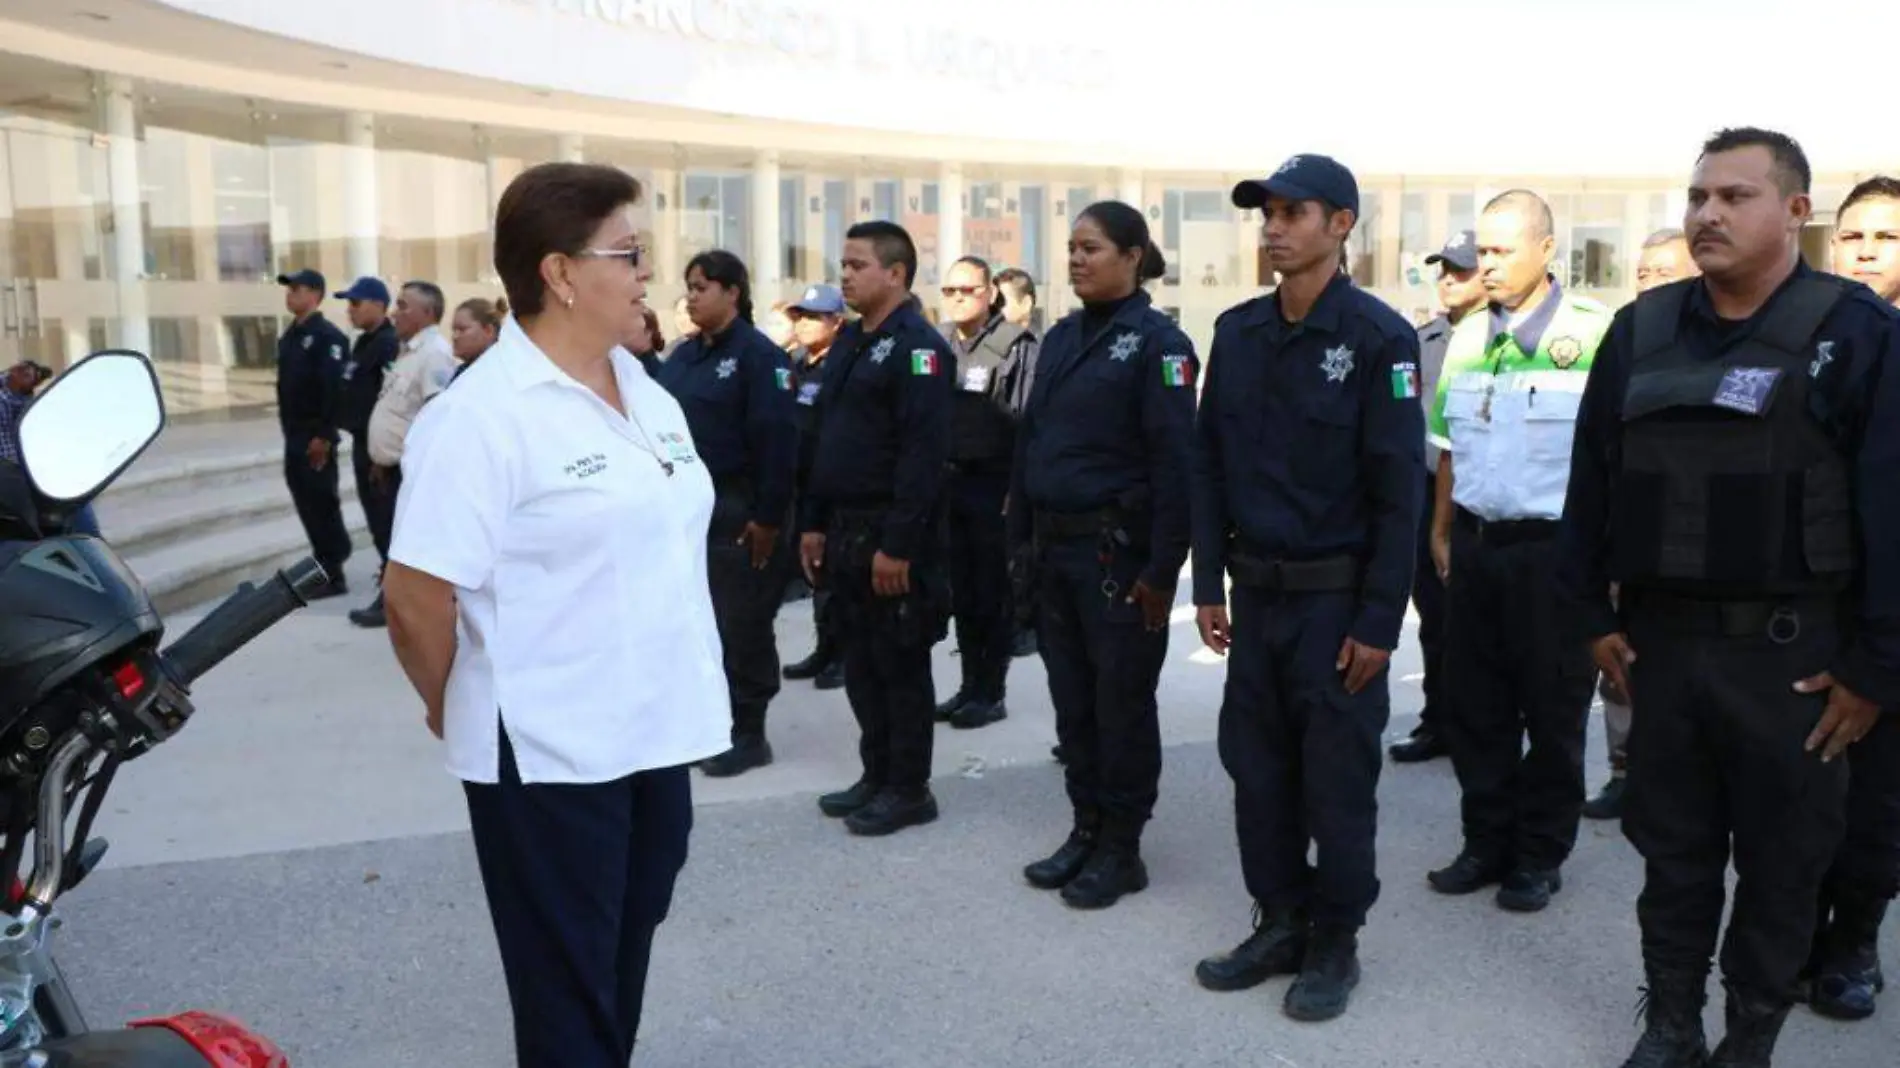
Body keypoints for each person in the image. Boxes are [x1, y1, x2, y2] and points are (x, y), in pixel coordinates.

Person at [1559, 127, 1900, 1067]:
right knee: (1672, 856)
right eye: (1700, 196)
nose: (1708, 213)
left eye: (1736, 196)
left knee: (1786, 868)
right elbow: (1592, 481)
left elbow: (1892, 509)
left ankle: (1749, 1037)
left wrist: (1875, 668)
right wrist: (1590, 613)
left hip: (1795, 659)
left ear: (1796, 212)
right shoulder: (1643, 329)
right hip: (1666, 650)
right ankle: (1670, 1024)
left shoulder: (1857, 333)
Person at [381, 162, 727, 1068]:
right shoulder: (481, 419)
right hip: (547, 749)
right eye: (630, 253)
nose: (650, 273)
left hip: (653, 729)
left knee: (622, 951)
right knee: (567, 984)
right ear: (561, 273)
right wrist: (453, 702)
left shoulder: (640, 387)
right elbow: (416, 599)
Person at [1189, 155, 1422, 1021]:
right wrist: (1206, 578)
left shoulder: (1378, 340)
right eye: (1268, 214)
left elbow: (1399, 494)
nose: (1275, 227)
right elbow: (1207, 462)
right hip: (1257, 598)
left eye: (1294, 213)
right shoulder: (1239, 331)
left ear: (1341, 225)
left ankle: (1335, 941)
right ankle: (1279, 919)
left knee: (1334, 780)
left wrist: (1379, 623)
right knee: (1256, 770)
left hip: (1336, 604)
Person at [1423, 190, 1612, 915]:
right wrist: (1441, 532)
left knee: (1554, 714)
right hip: (1476, 550)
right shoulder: (1467, 338)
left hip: (1555, 557)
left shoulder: (1594, 334)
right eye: (1485, 252)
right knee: (1477, 709)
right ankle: (1486, 842)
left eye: (1503, 252)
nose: (1490, 266)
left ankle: (1538, 855)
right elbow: (1448, 449)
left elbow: (1615, 462)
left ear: (1546, 250)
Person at [1009, 201, 1196, 910]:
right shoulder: (1059, 338)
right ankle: (1085, 827)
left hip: (1117, 559)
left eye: (1092, 247)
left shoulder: (1159, 345)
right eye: (1072, 248)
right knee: (1073, 703)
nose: (1077, 259)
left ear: (1132, 254)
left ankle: (1123, 846)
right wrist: (1017, 545)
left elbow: (1179, 467)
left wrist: (1160, 572)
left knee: (1119, 705)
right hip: (1055, 553)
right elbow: (1030, 444)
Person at [798, 221, 955, 837]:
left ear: (896, 273)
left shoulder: (919, 348)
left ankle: (908, 787)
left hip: (889, 533)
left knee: (899, 663)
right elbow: (823, 440)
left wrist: (899, 546)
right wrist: (812, 523)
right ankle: (876, 773)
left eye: (858, 264)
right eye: (844, 264)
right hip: (842, 528)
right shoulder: (848, 343)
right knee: (860, 660)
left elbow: (924, 457)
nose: (847, 275)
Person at [1800, 175, 1900, 1023]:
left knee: (1875, 806)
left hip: (1890, 620)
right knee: (1802, 795)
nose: (1867, 250)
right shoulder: (1806, 335)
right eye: (1855, 236)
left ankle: (1852, 945)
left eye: (1889, 237)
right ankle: (1796, 934)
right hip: (1807, 607)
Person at [652, 250, 797, 779]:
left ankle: (749, 731)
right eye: (688, 286)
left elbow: (778, 444)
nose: (691, 296)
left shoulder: (761, 358)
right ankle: (708, 722)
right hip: (684, 514)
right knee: (697, 622)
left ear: (733, 292)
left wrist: (767, 518)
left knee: (742, 623)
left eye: (702, 286)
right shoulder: (686, 357)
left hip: (738, 510)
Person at [1583, 228, 1703, 822]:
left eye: (1665, 272)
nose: (1650, 282)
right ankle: (1624, 771)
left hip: (1696, 551)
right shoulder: (1627, 339)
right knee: (1621, 669)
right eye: (1644, 271)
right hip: (1629, 541)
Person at [1389, 230, 1485, 765]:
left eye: (1461, 269)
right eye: (1443, 268)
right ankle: (1439, 721)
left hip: (1481, 496)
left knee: (1480, 622)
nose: (1448, 278)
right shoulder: (1418, 341)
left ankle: (1484, 725)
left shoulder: (1505, 340)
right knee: (1434, 616)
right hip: (1427, 493)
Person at [934, 255, 1039, 731]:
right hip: (950, 486)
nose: (958, 299)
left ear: (990, 293)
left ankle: (990, 691)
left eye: (968, 290)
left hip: (994, 488)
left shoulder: (1014, 346)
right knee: (963, 594)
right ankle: (968, 685)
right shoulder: (938, 346)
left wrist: (1017, 494)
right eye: (950, 291)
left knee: (992, 593)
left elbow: (1027, 427)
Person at [355, 280, 460, 628]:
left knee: (402, 542)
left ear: (427, 314)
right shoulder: (409, 350)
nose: (395, 312)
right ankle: (391, 598)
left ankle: (396, 603)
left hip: (409, 469)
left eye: (403, 306)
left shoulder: (434, 354)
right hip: (390, 465)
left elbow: (435, 415)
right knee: (389, 536)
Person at [780, 283, 850, 690]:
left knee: (835, 574)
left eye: (813, 316)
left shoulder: (840, 365)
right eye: (800, 316)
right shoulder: (795, 363)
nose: (803, 324)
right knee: (814, 574)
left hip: (830, 479)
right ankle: (824, 647)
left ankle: (842, 654)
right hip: (800, 480)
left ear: (835, 321)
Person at [272, 269, 352, 599]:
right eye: (288, 289)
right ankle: (323, 560)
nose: (290, 294)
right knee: (305, 499)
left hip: (314, 435)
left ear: (316, 294)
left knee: (321, 500)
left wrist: (323, 435)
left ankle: (334, 570)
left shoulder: (328, 337)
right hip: (293, 433)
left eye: (297, 289)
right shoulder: (290, 336)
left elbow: (332, 390)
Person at [334, 275, 401, 584]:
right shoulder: (364, 342)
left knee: (385, 518)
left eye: (356, 303)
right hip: (363, 443)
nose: (350, 310)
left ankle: (394, 584)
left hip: (379, 451)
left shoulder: (389, 345)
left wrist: (380, 455)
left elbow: (388, 402)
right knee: (375, 518)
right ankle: (388, 577)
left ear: (378, 305)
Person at [448, 296, 505, 383]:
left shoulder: (501, 371)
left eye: (462, 329)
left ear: (488, 330)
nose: (455, 337)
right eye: (454, 330)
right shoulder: (464, 371)